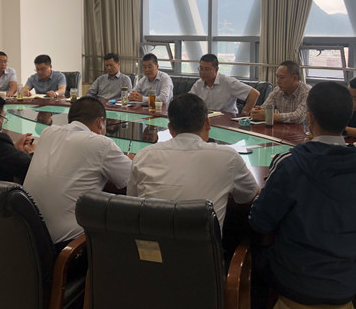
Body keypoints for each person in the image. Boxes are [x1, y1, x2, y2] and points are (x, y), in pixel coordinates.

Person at [249, 82, 356, 309]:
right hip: (347, 282)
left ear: (310, 117)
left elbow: (260, 221)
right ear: (347, 118)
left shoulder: (290, 163)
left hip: (294, 279)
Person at [128, 93, 258, 230]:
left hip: (150, 242)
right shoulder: (228, 157)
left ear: (170, 128)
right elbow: (250, 195)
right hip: (203, 244)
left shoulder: (143, 156)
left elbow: (132, 201)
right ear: (207, 124)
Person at [23, 97, 132, 247]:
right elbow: (132, 179)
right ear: (100, 122)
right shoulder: (101, 143)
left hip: (29, 237)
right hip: (70, 245)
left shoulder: (48, 132)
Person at [189, 54, 259, 115]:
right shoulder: (198, 84)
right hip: (206, 119)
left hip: (227, 121)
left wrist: (244, 115)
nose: (202, 72)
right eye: (201, 69)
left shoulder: (228, 82)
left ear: (216, 69)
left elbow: (254, 93)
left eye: (206, 69)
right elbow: (188, 101)